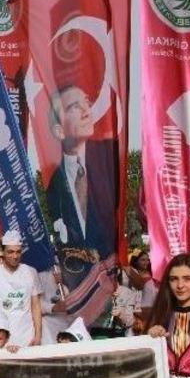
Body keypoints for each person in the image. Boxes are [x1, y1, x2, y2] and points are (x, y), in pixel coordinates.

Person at [43, 85, 117, 256]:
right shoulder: (55, 185)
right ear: (59, 131)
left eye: (87, 103)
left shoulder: (109, 164)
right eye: (74, 107)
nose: (87, 111)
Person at [0, 230, 42, 347]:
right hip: (2, 338)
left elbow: (36, 306)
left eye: (18, 252)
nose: (15, 256)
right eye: (10, 252)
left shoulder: (30, 272)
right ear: (2, 252)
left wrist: (38, 335)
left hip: (27, 336)